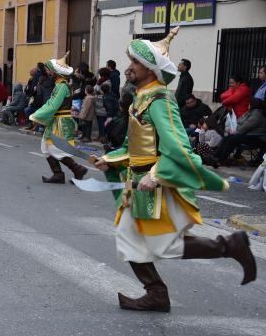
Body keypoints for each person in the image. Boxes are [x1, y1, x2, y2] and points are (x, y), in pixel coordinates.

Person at [93, 28, 255, 313]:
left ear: (152, 69)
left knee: (163, 244)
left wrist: (157, 175)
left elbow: (178, 146)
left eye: (136, 63)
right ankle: (156, 292)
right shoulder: (141, 98)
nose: (130, 67)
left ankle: (229, 245)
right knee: (130, 237)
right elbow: (134, 146)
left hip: (155, 183)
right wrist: (112, 159)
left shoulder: (160, 100)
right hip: (138, 181)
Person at [30, 55, 88, 183]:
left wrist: (36, 116)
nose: (48, 72)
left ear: (55, 72)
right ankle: (59, 174)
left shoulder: (61, 86)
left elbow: (53, 105)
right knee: (46, 147)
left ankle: (77, 169)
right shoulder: (59, 85)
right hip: (56, 121)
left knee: (56, 149)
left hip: (61, 122)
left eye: (50, 70)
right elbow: (50, 103)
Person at [206, 98, 266, 167]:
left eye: (249, 104)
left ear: (254, 105)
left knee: (232, 139)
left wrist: (239, 126)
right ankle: (216, 156)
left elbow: (244, 127)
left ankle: (220, 159)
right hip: (249, 135)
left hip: (257, 138)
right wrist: (240, 125)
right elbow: (239, 121)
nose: (248, 105)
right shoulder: (251, 112)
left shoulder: (257, 115)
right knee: (227, 137)